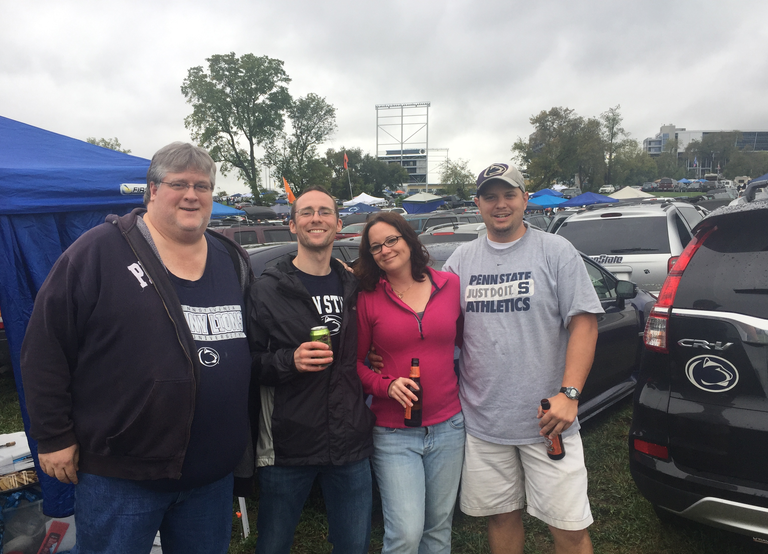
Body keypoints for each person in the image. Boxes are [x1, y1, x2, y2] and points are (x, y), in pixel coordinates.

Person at [20, 143, 253, 554]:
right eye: (178, 183)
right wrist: (53, 436)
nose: (191, 195)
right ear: (151, 190)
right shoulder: (98, 252)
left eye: (202, 185)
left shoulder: (230, 257)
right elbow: (45, 348)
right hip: (122, 475)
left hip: (211, 475)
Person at [443, 163, 603, 554]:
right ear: (478, 204)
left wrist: (569, 393)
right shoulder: (462, 260)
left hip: (548, 421)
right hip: (484, 422)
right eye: (491, 197)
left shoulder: (555, 250)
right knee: (501, 518)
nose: (500, 205)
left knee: (567, 528)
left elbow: (584, 323)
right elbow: (427, 312)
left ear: (524, 200)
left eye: (509, 195)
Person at [249, 185, 375, 554]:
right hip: (289, 443)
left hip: (350, 440)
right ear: (292, 225)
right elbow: (247, 362)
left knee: (354, 545)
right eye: (306, 212)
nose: (316, 218)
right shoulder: (266, 290)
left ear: (338, 224)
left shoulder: (358, 286)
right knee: (273, 544)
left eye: (324, 211)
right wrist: (290, 360)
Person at [355, 212, 464, 554]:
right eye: (376, 247)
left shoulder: (450, 286)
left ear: (408, 239)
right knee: (405, 533)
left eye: (392, 240)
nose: (386, 250)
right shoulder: (367, 298)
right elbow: (354, 364)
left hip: (449, 425)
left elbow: (465, 342)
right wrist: (384, 385)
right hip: (393, 433)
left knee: (437, 530)